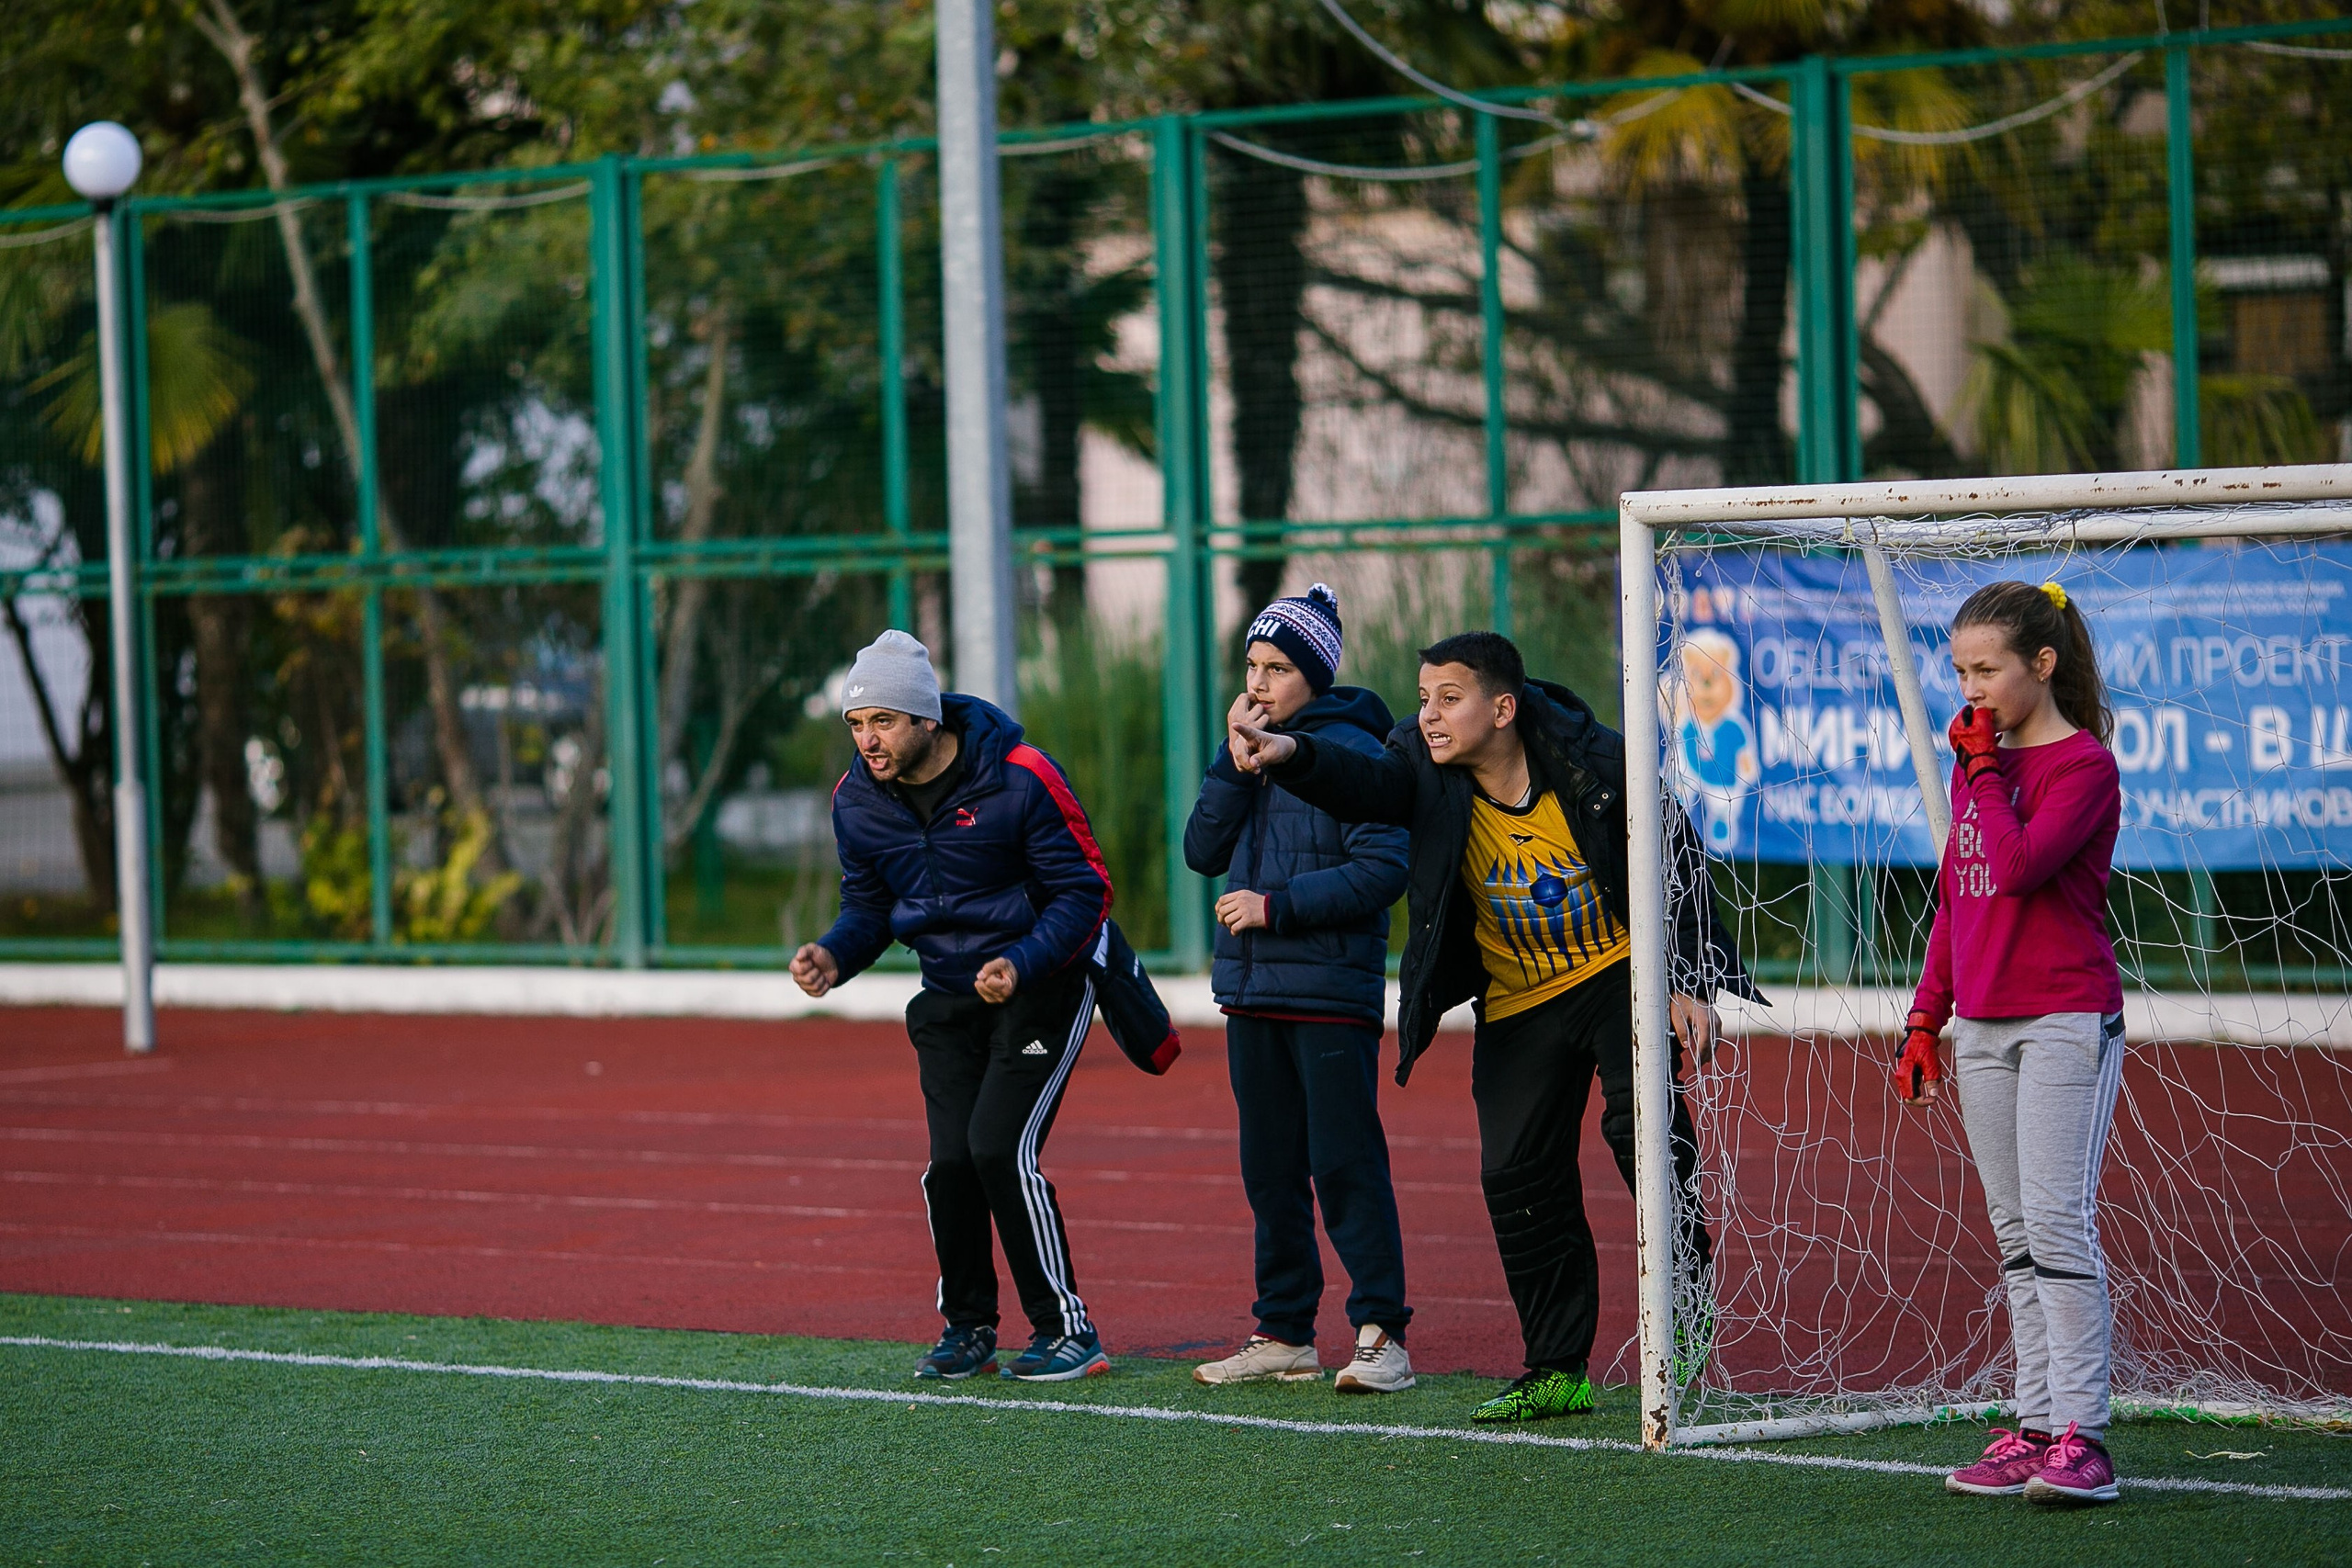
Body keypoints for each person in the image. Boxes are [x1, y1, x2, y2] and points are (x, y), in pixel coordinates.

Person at [1228, 631, 1759, 1423]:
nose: (1429, 715)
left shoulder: (1592, 760)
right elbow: (1362, 785)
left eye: (1449, 698)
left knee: (1640, 1134)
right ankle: (1558, 1368)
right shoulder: (1415, 760)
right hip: (1517, 1000)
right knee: (1518, 1179)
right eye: (1421, 698)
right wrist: (1286, 753)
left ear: (1502, 708)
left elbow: (1674, 855)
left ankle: (1684, 1320)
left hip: (1616, 976)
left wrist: (1689, 977)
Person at [789, 630, 1115, 1383]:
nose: (867, 739)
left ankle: (1069, 1330)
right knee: (950, 1164)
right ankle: (969, 1327)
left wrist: (1022, 960)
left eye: (883, 721)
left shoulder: (1022, 776)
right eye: (855, 723)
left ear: (926, 719)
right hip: (948, 999)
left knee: (1001, 1147)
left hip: (1043, 990)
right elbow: (868, 904)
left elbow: (1086, 891)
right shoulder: (857, 800)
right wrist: (834, 955)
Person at [1898, 581, 2126, 1506]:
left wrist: (1985, 768)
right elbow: (1962, 893)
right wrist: (1925, 1015)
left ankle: (2085, 1436)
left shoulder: (2082, 767)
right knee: (2014, 1235)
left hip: (2066, 1017)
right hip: (1982, 1024)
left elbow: (2023, 867)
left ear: (2042, 663)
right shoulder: (1974, 762)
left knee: (2059, 1224)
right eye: (1959, 671)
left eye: (1986, 669)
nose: (1970, 687)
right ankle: (2035, 1427)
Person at [1182, 585, 1416, 1393]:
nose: (1260, 682)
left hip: (1325, 995)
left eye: (1278, 667)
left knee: (1345, 1163)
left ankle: (1383, 1333)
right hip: (1250, 996)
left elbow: (1385, 868)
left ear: (1314, 674)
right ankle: (1284, 1330)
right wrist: (1230, 759)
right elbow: (1201, 849)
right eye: (1252, 665)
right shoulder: (1247, 747)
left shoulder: (1356, 751)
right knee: (1270, 1170)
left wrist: (1275, 909)